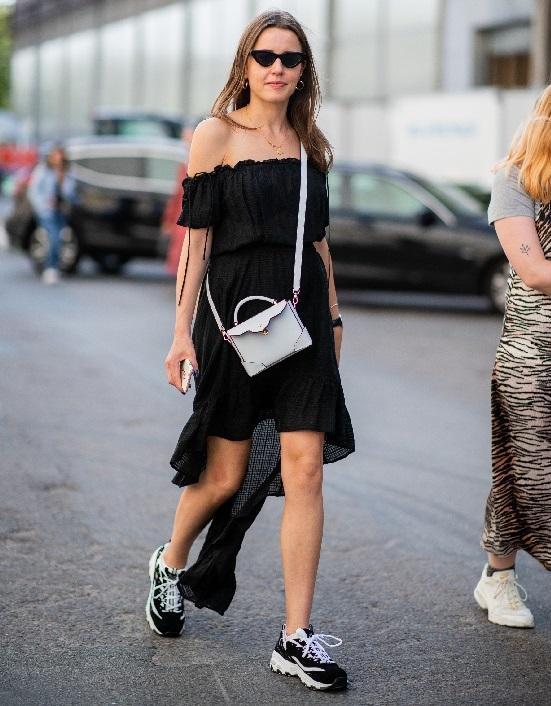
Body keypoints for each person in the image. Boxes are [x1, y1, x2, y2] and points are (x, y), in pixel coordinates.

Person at [146, 10, 354, 692]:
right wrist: (180, 332)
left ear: (304, 71)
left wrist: (334, 314)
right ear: (245, 63)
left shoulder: (309, 142)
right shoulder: (215, 135)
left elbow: (318, 242)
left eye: (290, 58)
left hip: (301, 322)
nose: (276, 67)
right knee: (224, 476)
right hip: (233, 320)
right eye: (265, 55)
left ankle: (295, 637)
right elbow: (196, 243)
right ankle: (171, 562)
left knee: (306, 470)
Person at [475, 79, 551, 629]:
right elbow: (533, 270)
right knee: (530, 470)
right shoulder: (518, 179)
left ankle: (496, 576)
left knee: (519, 470)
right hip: (534, 357)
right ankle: (500, 578)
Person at [27, 144, 76, 284]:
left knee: (59, 239)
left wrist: (61, 178)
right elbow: (34, 191)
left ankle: (54, 266)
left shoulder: (67, 171)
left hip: (61, 210)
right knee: (53, 237)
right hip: (47, 211)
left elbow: (70, 193)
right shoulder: (43, 170)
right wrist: (43, 206)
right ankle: (51, 267)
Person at [162, 122, 196, 275]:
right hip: (182, 220)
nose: (185, 143)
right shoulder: (184, 165)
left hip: (192, 221)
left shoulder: (201, 164)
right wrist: (169, 221)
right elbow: (177, 196)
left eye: (188, 138)